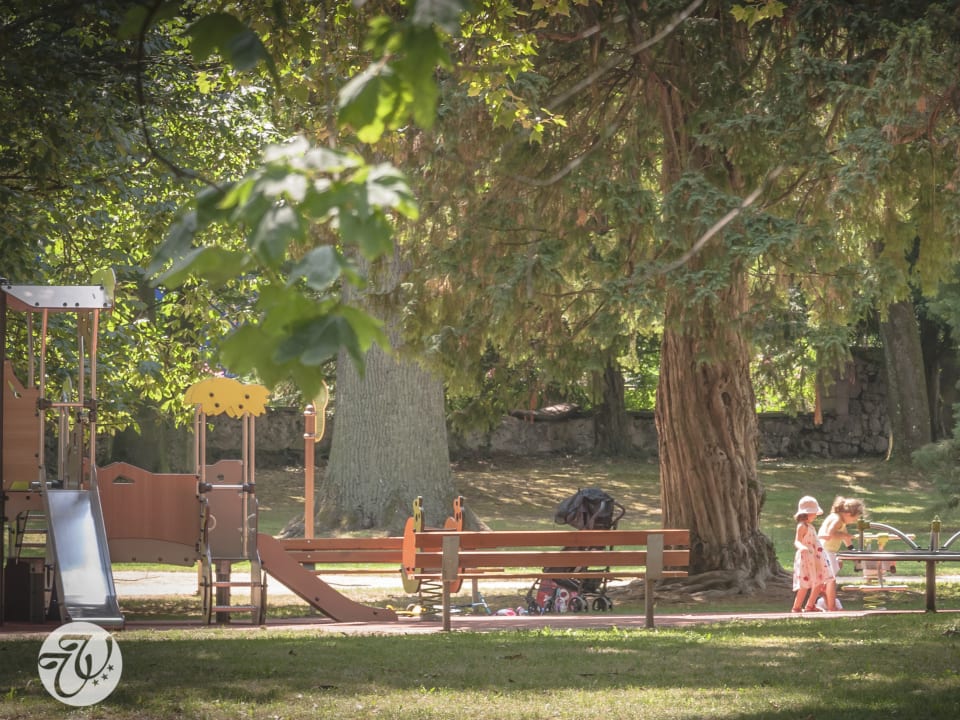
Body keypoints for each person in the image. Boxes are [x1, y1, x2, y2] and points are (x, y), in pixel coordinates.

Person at [817, 496, 866, 611]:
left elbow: (846, 539)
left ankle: (827, 601)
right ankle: (831, 606)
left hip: (829, 552)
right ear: (849, 514)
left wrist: (852, 551)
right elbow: (830, 533)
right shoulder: (837, 520)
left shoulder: (840, 520)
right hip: (826, 551)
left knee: (830, 577)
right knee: (831, 580)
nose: (853, 522)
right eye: (854, 519)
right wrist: (845, 536)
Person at [791, 495, 834, 613]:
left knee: (819, 582)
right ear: (806, 513)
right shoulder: (802, 526)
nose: (815, 516)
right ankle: (797, 607)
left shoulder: (810, 526)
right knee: (805, 584)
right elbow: (797, 541)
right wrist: (802, 548)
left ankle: (810, 605)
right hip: (807, 558)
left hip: (816, 558)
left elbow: (813, 539)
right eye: (814, 513)